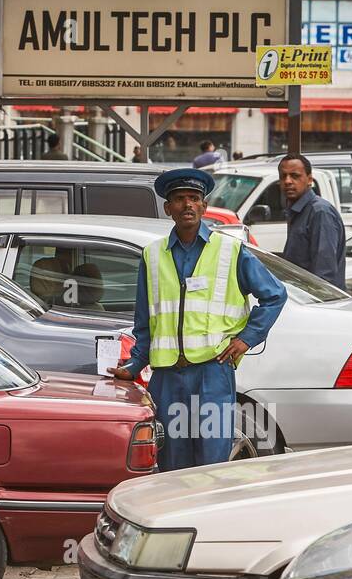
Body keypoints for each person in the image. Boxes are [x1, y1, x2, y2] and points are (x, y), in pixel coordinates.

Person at [108, 168, 287, 469]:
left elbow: (275, 295)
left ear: (204, 206)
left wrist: (246, 340)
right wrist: (135, 364)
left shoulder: (230, 250)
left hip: (211, 375)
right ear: (168, 208)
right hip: (166, 379)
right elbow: (145, 321)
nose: (187, 205)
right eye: (179, 199)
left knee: (211, 463)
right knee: (169, 464)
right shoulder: (152, 255)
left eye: (194, 199)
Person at [278, 153, 346, 289]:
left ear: (309, 180)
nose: (288, 181)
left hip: (318, 302)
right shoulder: (296, 210)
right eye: (283, 176)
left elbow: (324, 275)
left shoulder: (320, 212)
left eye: (295, 176)